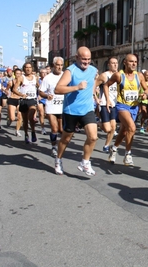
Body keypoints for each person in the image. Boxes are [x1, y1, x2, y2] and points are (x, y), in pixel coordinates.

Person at [54, 46, 98, 176]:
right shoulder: (70, 71)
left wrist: (96, 94)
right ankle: (58, 160)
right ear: (77, 57)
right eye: (84, 59)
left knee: (93, 136)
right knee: (66, 139)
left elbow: (93, 85)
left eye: (89, 59)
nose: (86, 62)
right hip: (71, 110)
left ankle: (85, 162)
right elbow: (58, 89)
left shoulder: (94, 70)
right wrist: (76, 87)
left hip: (88, 109)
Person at [105, 53, 148, 166]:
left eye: (135, 62)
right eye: (131, 61)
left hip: (134, 107)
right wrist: (108, 100)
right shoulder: (119, 75)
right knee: (132, 128)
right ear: (125, 62)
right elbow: (106, 85)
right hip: (122, 106)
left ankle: (114, 149)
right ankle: (128, 154)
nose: (133, 64)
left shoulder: (139, 76)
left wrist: (145, 94)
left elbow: (146, 88)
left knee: (124, 131)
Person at [38, 57, 64, 157]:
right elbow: (41, 91)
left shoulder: (65, 76)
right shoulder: (48, 78)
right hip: (51, 106)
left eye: (61, 65)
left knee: (61, 130)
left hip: (62, 106)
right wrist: (46, 95)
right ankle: (54, 146)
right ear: (54, 65)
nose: (60, 67)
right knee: (54, 128)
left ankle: (61, 145)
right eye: (58, 65)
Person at [95, 57, 119, 152]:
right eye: (112, 63)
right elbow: (94, 86)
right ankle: (97, 123)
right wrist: (96, 98)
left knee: (113, 127)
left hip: (114, 104)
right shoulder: (104, 76)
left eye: (116, 63)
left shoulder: (119, 75)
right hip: (104, 103)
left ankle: (106, 145)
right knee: (107, 128)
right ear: (108, 65)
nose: (115, 65)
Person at [11, 62, 40, 143]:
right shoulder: (21, 78)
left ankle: (33, 131)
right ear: (24, 69)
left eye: (30, 67)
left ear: (32, 68)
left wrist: (40, 93)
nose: (28, 69)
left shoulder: (35, 77)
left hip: (32, 99)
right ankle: (26, 134)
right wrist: (21, 94)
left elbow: (39, 87)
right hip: (24, 101)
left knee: (31, 117)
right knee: (25, 120)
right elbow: (14, 89)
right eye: (26, 67)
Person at [6, 68, 23, 136]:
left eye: (20, 74)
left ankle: (17, 130)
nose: (18, 75)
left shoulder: (23, 83)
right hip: (12, 99)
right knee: (12, 118)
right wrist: (7, 92)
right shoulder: (11, 82)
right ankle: (10, 120)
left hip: (20, 100)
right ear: (14, 74)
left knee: (19, 116)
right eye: (17, 74)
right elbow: (7, 89)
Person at [37, 68, 48, 135]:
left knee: (46, 114)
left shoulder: (49, 80)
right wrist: (37, 95)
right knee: (41, 113)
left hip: (47, 99)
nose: (44, 74)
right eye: (42, 72)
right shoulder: (37, 81)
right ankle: (42, 128)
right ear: (40, 73)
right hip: (40, 99)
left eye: (45, 72)